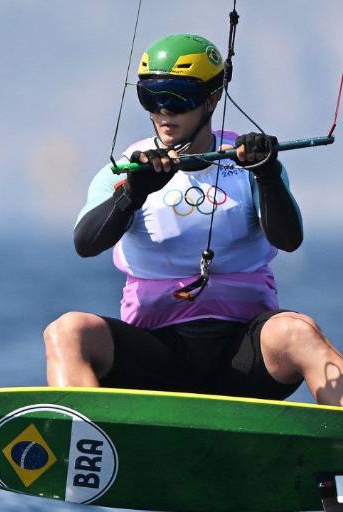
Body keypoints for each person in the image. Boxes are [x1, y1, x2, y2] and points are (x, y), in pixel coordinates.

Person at [43, 34, 343, 406]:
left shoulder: (251, 163)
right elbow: (85, 244)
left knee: (300, 331)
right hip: (157, 356)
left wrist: (267, 175)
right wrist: (132, 194)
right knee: (67, 332)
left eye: (177, 99)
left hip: (244, 356)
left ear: (211, 99)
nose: (164, 113)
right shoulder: (125, 169)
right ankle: (87, 435)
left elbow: (289, 240)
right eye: (151, 98)